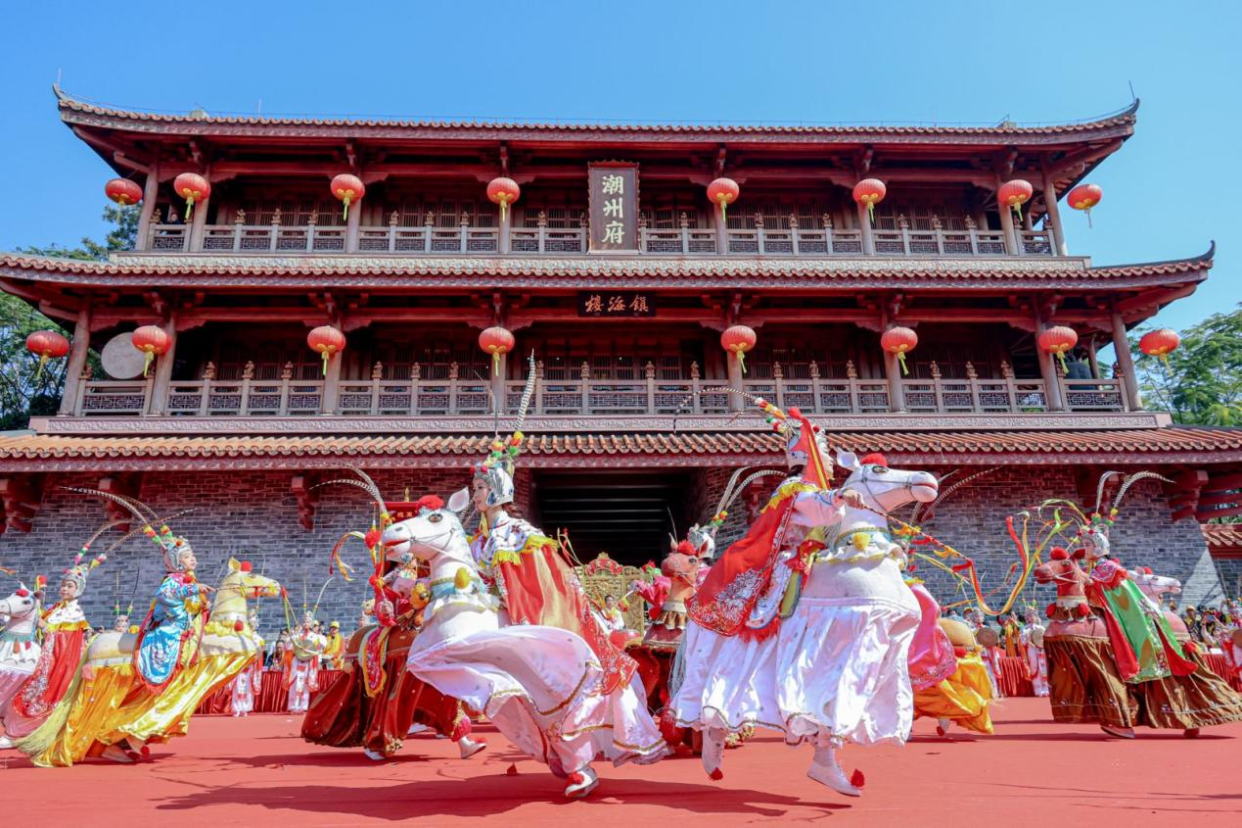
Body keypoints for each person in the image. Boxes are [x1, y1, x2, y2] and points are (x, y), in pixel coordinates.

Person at [673, 400, 931, 797]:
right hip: (782, 575)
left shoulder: (826, 491)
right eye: (822, 455)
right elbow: (814, 509)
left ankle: (825, 755)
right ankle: (715, 722)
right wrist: (843, 501)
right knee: (753, 640)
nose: (827, 464)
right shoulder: (797, 487)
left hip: (812, 567)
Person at [0, 530, 108, 749]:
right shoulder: (56, 608)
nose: (64, 589)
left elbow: (68, 637)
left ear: (78, 590)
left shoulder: (74, 612)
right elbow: (41, 622)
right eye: (63, 585)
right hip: (43, 654)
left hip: (59, 663)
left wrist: (49, 630)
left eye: (69, 586)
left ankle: (31, 732)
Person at [284, 612, 326, 714]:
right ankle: (293, 706)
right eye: (304, 621)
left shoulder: (315, 636)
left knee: (305, 684)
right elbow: (288, 647)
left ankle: (303, 706)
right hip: (297, 662)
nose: (305, 623)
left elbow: (322, 645)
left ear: (311, 623)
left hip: (308, 663)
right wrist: (291, 637)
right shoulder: (297, 635)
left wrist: (318, 638)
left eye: (308, 621)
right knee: (295, 683)